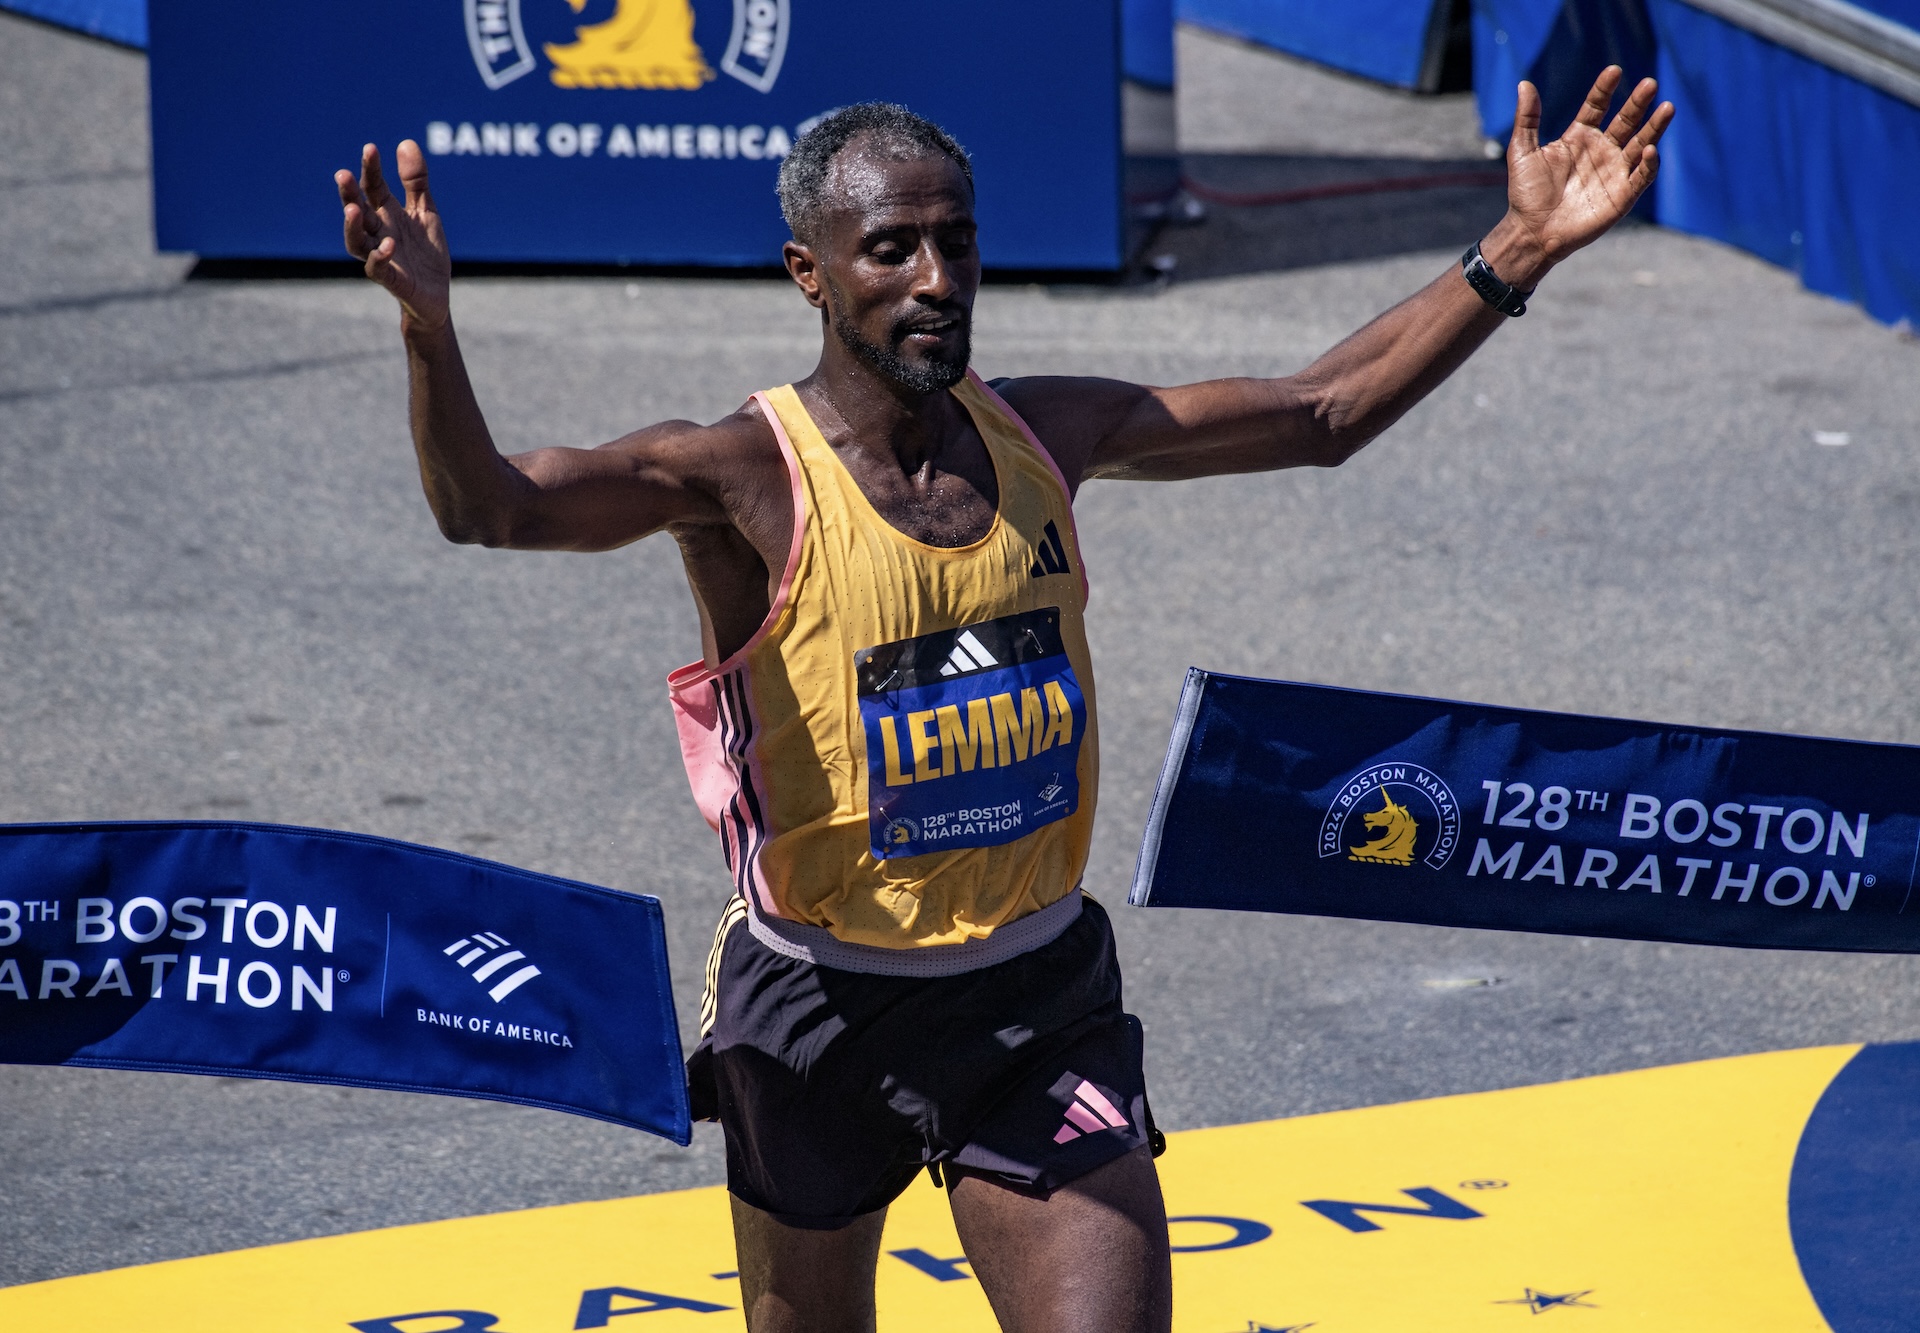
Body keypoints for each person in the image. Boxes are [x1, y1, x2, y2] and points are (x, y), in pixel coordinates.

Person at [336, 69, 1671, 1333]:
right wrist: (427, 327)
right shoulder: (740, 475)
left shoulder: (1046, 434)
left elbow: (1321, 411)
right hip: (817, 1009)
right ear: (809, 271)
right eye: (891, 251)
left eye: (957, 245)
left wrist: (1518, 248)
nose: (936, 281)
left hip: (1035, 997)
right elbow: (495, 508)